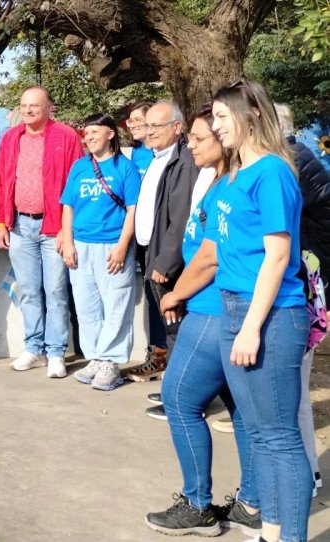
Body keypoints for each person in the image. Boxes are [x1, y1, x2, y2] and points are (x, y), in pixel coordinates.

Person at [164, 79, 310, 542]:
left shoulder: (272, 172)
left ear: (249, 117)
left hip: (268, 315)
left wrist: (250, 328)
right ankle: (268, 530)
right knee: (261, 436)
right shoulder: (236, 175)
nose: (216, 126)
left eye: (222, 117)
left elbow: (278, 256)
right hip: (231, 309)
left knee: (280, 438)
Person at [145, 107, 259, 537]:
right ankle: (252, 503)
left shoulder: (233, 183)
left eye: (197, 137)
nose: (189, 144)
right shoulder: (215, 181)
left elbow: (211, 257)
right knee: (239, 410)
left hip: (213, 308)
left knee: (178, 400)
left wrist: (177, 293)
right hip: (213, 305)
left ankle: (198, 505)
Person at [0, 86, 83, 378]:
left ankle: (56, 352)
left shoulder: (66, 137)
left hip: (53, 227)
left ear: (48, 107)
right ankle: (33, 348)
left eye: (34, 105)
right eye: (24, 105)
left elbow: (76, 184)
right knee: (29, 291)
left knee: (56, 291)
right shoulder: (10, 138)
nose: (28, 110)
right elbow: (2, 183)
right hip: (20, 226)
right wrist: (1, 223)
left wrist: (65, 230)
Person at [61, 114, 140, 389]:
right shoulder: (80, 167)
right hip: (82, 245)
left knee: (116, 304)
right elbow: (67, 207)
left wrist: (121, 246)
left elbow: (133, 210)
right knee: (86, 306)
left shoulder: (125, 168)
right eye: (87, 133)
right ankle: (95, 356)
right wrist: (68, 242)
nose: (89, 137)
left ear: (110, 134)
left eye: (95, 132)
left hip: (112, 245)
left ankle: (111, 362)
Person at [278, 102, 330, 495]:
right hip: (305, 283)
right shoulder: (292, 161)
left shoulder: (293, 163)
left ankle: (306, 475)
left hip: (304, 289)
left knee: (292, 393)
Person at [126, 100, 198, 384]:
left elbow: (180, 218)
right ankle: (174, 388)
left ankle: (182, 394)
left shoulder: (183, 161)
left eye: (157, 125)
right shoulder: (157, 157)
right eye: (148, 125)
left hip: (167, 260)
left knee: (176, 328)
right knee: (167, 327)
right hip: (150, 251)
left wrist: (166, 261)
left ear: (177, 127)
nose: (151, 131)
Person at [126, 101, 169, 371]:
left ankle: (163, 355)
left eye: (137, 121)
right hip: (143, 240)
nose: (133, 126)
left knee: (164, 297)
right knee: (152, 297)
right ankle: (156, 354)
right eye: (130, 121)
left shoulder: (165, 156)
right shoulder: (138, 155)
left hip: (163, 239)